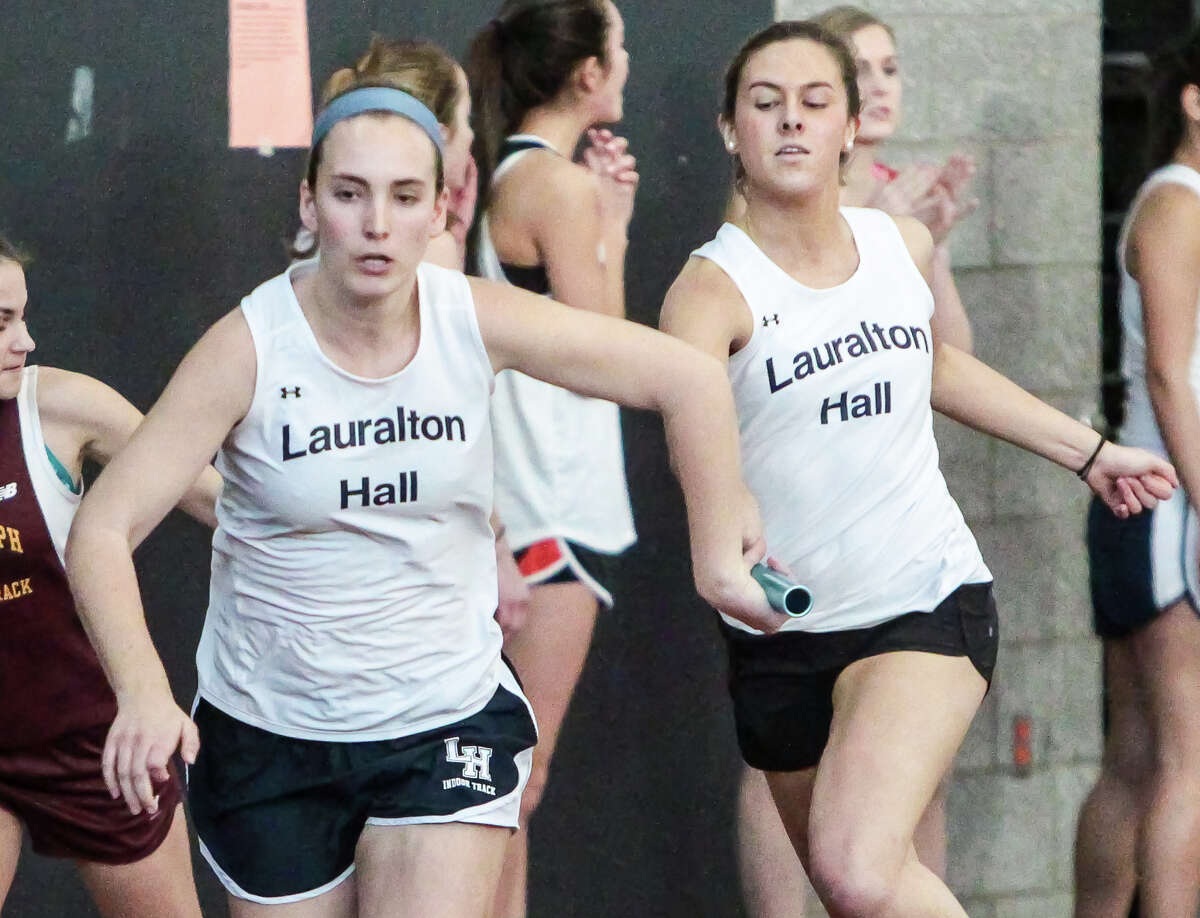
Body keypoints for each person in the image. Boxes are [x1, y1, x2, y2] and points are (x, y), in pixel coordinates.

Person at [65, 69, 782, 918]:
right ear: (307, 204)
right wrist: (143, 690)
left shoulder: (470, 317)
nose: (377, 224)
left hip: (444, 714)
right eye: (350, 193)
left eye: (406, 197)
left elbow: (688, 378)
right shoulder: (249, 348)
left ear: (442, 209)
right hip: (272, 735)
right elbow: (103, 527)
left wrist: (718, 546)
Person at [660, 21, 1177, 918]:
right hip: (782, 636)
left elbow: (933, 366)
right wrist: (723, 553)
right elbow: (696, 456)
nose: (792, 123)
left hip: (922, 599)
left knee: (859, 868)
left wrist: (1087, 451)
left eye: (816, 103)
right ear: (728, 128)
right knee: (846, 891)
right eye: (766, 104)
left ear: (849, 128)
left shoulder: (898, 245)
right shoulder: (710, 290)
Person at [465, 4, 637, 914]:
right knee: (510, 787)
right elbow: (608, 359)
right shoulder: (557, 189)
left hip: (537, 506)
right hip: (548, 514)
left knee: (505, 784)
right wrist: (605, 218)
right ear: (586, 75)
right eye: (619, 48)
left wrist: (613, 220)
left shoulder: (522, 178)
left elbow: (582, 329)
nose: (626, 65)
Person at [0, 236, 219, 917]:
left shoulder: (61, 409)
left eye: (23, 316)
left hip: (91, 743)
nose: (26, 341)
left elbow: (225, 504)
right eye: (1, 322)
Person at [292, 36, 533, 637]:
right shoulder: (429, 254)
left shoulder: (337, 249)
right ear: (440, 135)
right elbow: (432, 426)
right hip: (410, 570)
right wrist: (498, 547)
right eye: (466, 119)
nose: (475, 136)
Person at [1076, 27, 1200, 918]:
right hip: (1167, 500)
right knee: (1184, 760)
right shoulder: (1179, 205)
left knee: (1141, 755)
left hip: (1160, 498)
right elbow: (1166, 371)